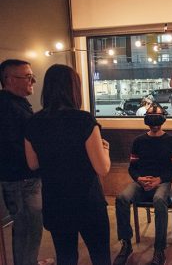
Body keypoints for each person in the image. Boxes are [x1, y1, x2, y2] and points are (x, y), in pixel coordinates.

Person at [24, 64, 111, 265]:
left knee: (66, 257)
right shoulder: (83, 120)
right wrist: (105, 148)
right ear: (74, 88)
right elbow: (103, 168)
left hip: (56, 201)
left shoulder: (34, 122)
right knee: (100, 256)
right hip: (87, 202)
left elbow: (33, 164)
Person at [113, 104, 172, 265]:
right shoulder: (139, 141)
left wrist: (159, 179)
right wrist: (139, 179)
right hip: (140, 182)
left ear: (163, 118)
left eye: (157, 115)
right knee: (122, 198)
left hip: (162, 182)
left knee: (159, 200)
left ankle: (159, 250)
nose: (154, 119)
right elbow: (132, 167)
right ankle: (126, 244)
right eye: (151, 115)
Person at [0, 59, 43, 265]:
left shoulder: (16, 104)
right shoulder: (7, 107)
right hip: (21, 180)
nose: (33, 80)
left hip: (25, 179)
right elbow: (14, 148)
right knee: (27, 231)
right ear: (8, 79)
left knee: (30, 229)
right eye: (27, 77)